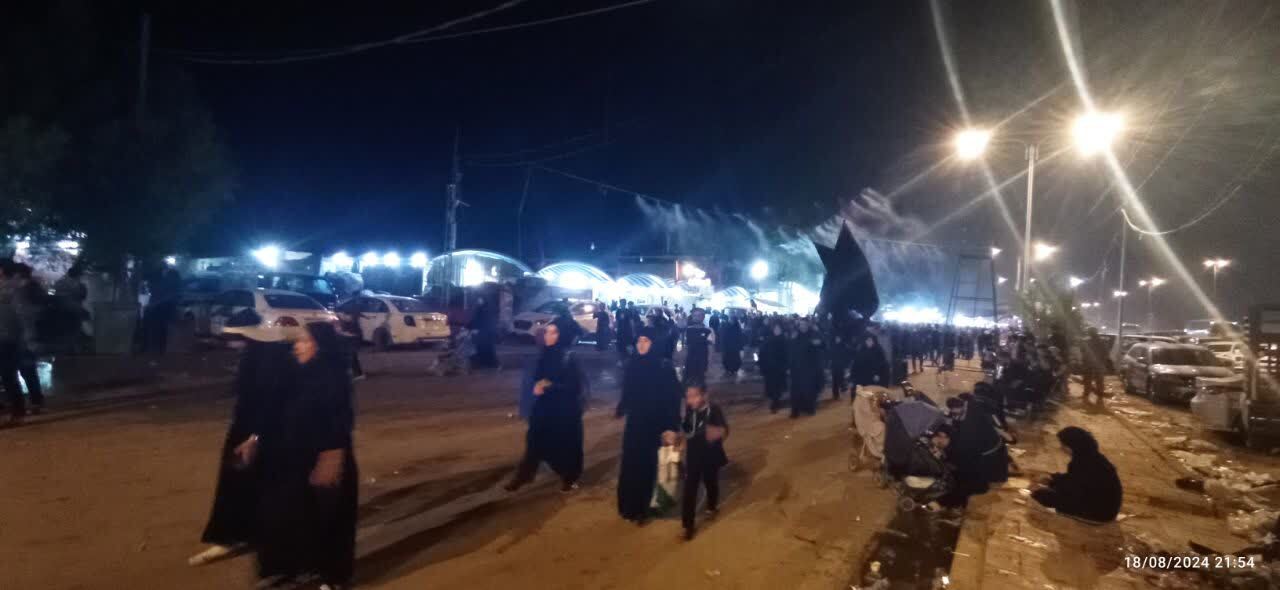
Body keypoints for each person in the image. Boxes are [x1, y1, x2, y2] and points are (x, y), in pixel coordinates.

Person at [256, 322, 358, 589]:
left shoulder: (333, 377)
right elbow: (278, 411)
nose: (297, 347)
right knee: (292, 514)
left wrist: (331, 456)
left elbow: (341, 420)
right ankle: (293, 566)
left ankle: (334, 577)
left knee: (330, 519)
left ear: (320, 346)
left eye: (303, 341)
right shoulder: (297, 374)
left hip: (326, 456)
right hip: (295, 457)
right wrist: (256, 438)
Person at [190, 322, 295, 566]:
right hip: (251, 430)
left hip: (255, 433)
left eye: (235, 337)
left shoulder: (266, 361)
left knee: (239, 482)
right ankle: (245, 532)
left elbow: (270, 402)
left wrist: (255, 437)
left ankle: (232, 536)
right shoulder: (258, 355)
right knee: (249, 482)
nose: (231, 343)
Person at [508, 323, 587, 492]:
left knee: (566, 444)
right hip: (545, 405)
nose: (548, 336)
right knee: (534, 439)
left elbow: (575, 387)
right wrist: (537, 387)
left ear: (562, 335)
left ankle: (569, 477)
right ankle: (525, 474)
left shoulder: (569, 357)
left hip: (565, 408)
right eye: (547, 332)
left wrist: (549, 385)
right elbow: (536, 378)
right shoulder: (544, 355)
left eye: (553, 333)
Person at [615, 328, 683, 523]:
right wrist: (622, 406)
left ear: (654, 343)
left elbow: (673, 398)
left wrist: (671, 426)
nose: (641, 344)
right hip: (636, 423)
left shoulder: (664, 366)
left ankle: (652, 506)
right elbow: (628, 390)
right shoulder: (633, 364)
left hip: (659, 423)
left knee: (658, 465)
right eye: (639, 340)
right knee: (633, 464)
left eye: (646, 340)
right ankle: (631, 506)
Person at [1031, 427, 1123, 523]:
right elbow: (1075, 480)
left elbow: (1073, 490)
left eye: (1063, 445)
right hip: (1107, 509)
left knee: (1040, 495)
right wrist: (1053, 478)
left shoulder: (1081, 463)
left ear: (1071, 447)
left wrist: (1051, 485)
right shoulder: (1094, 457)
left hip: (1098, 513)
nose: (1062, 448)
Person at [680, 383, 729, 540]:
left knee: (710, 481)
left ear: (704, 395)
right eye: (688, 397)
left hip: (710, 455)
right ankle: (688, 525)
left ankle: (712, 507)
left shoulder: (713, 410)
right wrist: (678, 439)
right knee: (689, 488)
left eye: (694, 396)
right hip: (693, 456)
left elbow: (724, 430)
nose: (690, 400)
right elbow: (687, 430)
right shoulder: (690, 410)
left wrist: (718, 433)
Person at [0, 261, 27, 425]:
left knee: (8, 375)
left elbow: (18, 316)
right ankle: (15, 410)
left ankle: (17, 412)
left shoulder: (10, 289)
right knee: (8, 375)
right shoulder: (14, 288)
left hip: (7, 338)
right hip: (9, 337)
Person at [787, 319, 825, 417]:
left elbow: (822, 345)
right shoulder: (795, 336)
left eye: (804, 324)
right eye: (801, 324)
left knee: (809, 389)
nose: (803, 326)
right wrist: (790, 366)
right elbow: (791, 351)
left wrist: (818, 342)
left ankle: (809, 407)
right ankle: (795, 410)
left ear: (808, 325)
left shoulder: (814, 334)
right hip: (797, 368)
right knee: (796, 390)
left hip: (810, 368)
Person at [758, 323, 789, 413]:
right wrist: (761, 364)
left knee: (777, 387)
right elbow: (762, 353)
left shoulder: (784, 340)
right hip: (769, 368)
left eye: (778, 329)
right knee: (771, 387)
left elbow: (787, 354)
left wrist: (786, 366)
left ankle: (775, 403)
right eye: (775, 329)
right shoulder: (768, 340)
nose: (777, 331)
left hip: (779, 368)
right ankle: (774, 401)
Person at [682, 310, 713, 386]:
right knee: (687, 382)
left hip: (702, 360)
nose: (696, 317)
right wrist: (683, 360)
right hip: (689, 360)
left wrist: (709, 361)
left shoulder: (708, 330)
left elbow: (710, 347)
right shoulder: (688, 330)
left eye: (699, 315)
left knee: (700, 381)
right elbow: (685, 345)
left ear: (703, 317)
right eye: (694, 316)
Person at [1080, 328, 1109, 403]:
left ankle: (1087, 395)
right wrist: (1103, 363)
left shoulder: (1085, 341)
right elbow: (1106, 353)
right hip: (1097, 364)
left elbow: (1082, 352)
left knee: (1088, 380)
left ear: (1089, 333)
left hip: (1089, 364)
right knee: (1099, 381)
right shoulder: (1102, 341)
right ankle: (1099, 397)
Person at [468, 296, 499, 369]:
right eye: (478, 299)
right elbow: (475, 320)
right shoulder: (479, 309)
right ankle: (485, 364)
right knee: (481, 348)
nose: (478, 301)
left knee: (486, 348)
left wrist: (476, 329)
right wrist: (470, 327)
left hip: (485, 333)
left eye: (480, 299)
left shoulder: (485, 310)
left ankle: (492, 364)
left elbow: (485, 321)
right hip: (481, 334)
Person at [829, 332, 852, 401]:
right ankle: (835, 394)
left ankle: (843, 388)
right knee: (834, 380)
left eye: (838, 338)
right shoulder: (832, 346)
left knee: (841, 378)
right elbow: (830, 356)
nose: (837, 339)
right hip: (834, 366)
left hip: (841, 366)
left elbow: (847, 356)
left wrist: (846, 365)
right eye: (836, 338)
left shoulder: (844, 346)